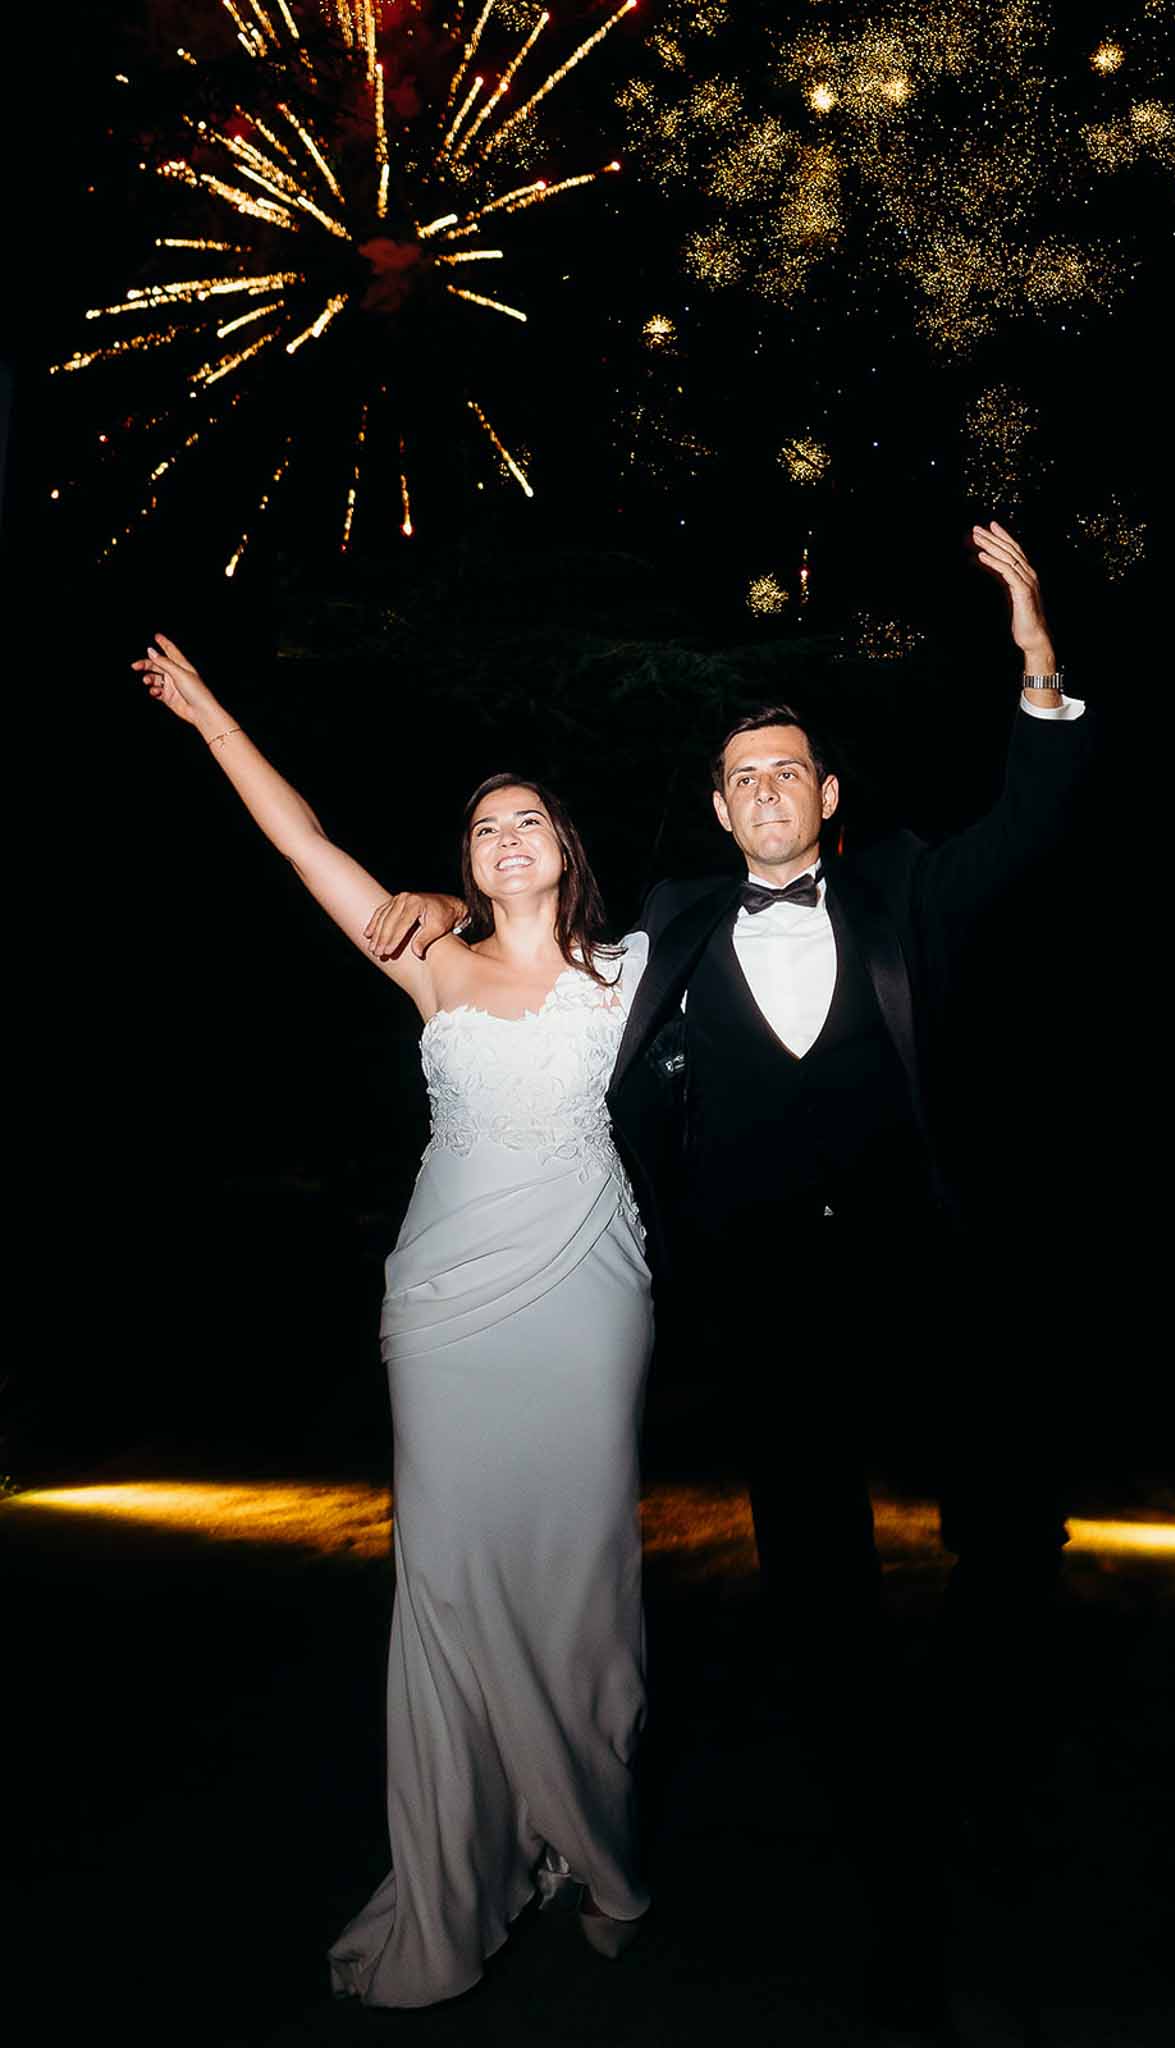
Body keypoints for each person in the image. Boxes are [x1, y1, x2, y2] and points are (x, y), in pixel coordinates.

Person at [370, 522, 1095, 2042]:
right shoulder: (676, 928)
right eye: (743, 776)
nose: (767, 790)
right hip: (769, 1311)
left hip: (929, 1292)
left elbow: (1029, 823)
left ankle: (1007, 1782)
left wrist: (1034, 648)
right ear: (719, 807)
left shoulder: (907, 890)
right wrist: (434, 907)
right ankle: (879, 1862)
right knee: (822, 1594)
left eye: (791, 772)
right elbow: (538, 956)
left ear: (828, 800)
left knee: (1004, 1547)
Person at [131, 635, 654, 2008]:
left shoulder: (638, 968)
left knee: (580, 1573)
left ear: (565, 847)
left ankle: (592, 1844)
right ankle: (460, 1870)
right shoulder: (427, 961)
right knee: (451, 1580)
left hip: (588, 1292)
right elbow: (304, 842)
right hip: (446, 1305)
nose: (506, 837)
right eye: (483, 829)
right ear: (469, 863)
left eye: (527, 818)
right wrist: (211, 717)